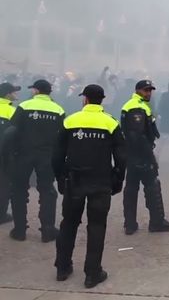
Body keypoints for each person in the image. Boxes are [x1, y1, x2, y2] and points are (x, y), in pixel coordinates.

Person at [53, 84, 125, 289]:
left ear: (84, 99)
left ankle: (62, 268)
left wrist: (59, 178)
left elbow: (57, 154)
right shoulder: (110, 123)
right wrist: (118, 179)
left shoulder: (70, 120)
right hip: (100, 182)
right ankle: (92, 274)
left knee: (68, 223)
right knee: (96, 226)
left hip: (74, 181)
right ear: (102, 100)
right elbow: (121, 156)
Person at [9, 79, 65, 242]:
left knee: (18, 190)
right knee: (47, 191)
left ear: (36, 91)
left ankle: (20, 230)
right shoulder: (58, 109)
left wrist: (11, 153)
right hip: (47, 156)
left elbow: (13, 131)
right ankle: (47, 230)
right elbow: (62, 136)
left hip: (23, 154)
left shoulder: (24, 106)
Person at [121, 80, 169, 235]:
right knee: (151, 187)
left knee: (131, 188)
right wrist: (149, 157)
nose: (149, 93)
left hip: (132, 154)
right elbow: (137, 136)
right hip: (140, 155)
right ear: (137, 90)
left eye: (150, 90)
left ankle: (130, 224)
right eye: (145, 90)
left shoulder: (138, 104)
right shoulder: (136, 107)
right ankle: (156, 222)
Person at [0, 82, 21, 225]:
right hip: (5, 153)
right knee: (4, 183)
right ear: (8, 94)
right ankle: (1, 215)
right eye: (14, 92)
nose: (16, 94)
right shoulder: (13, 111)